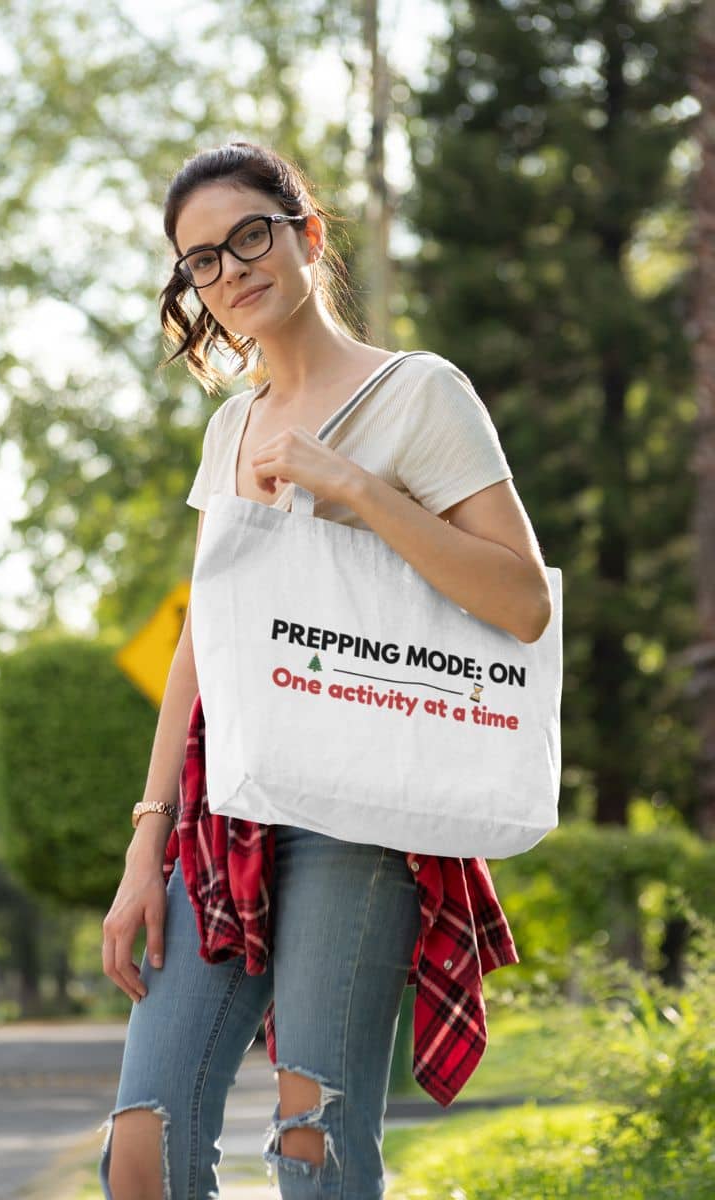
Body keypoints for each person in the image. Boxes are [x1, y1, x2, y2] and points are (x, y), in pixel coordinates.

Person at [98, 139, 551, 1200]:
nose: (230, 271)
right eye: (201, 260)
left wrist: (354, 489)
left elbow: (522, 602)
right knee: (141, 1149)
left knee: (315, 1145)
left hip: (361, 812)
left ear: (305, 234)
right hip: (223, 813)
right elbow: (204, 641)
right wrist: (145, 842)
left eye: (249, 236)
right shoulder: (230, 428)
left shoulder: (419, 393)